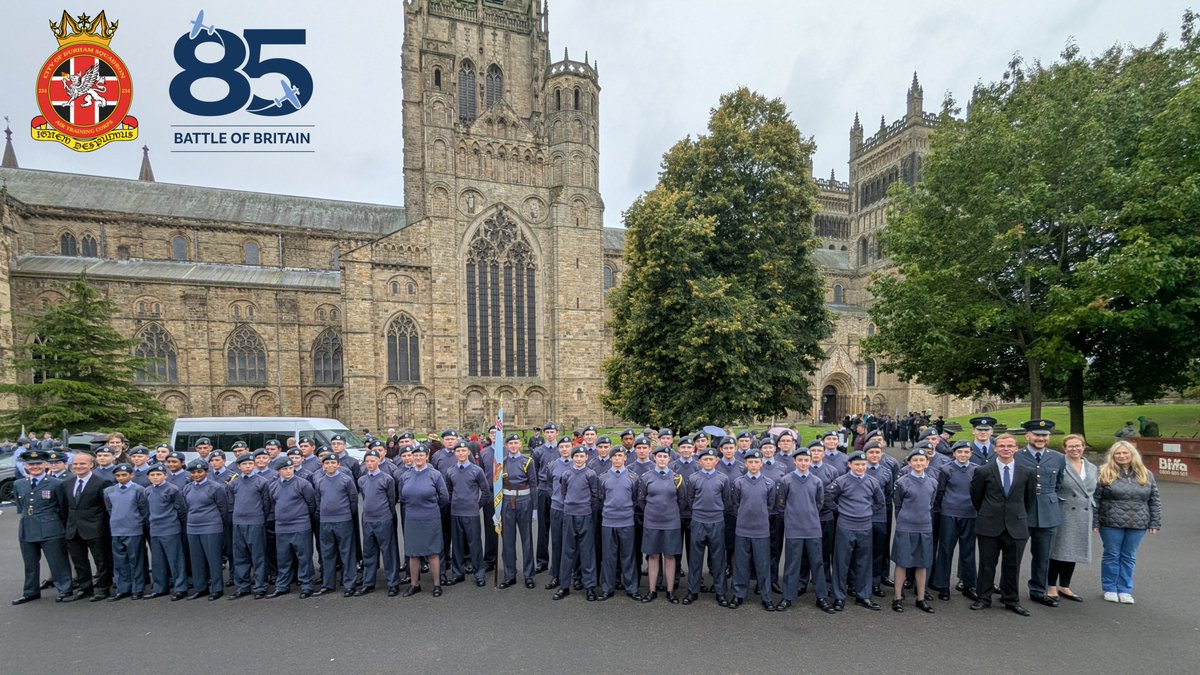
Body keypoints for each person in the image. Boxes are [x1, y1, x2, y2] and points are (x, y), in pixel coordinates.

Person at [970, 433, 1037, 616]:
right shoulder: (983, 471)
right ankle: (983, 598)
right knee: (986, 564)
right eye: (1001, 446)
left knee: (1012, 565)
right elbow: (976, 497)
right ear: (995, 449)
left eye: (1009, 446)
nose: (1005, 449)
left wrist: (1016, 514)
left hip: (1016, 525)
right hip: (989, 524)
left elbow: (1028, 500)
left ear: (1016, 448)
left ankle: (1011, 600)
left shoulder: (1027, 472)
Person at [1094, 440, 1162, 604]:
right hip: (1110, 521)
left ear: (1133, 454)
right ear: (1113, 456)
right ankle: (1110, 588)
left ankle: (1124, 589)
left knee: (1129, 556)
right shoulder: (1104, 472)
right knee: (1111, 555)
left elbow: (1154, 500)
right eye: (1118, 453)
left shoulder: (1146, 473)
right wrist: (1095, 522)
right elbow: (1096, 499)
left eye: (1125, 453)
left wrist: (1155, 522)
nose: (1122, 456)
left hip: (1138, 523)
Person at [11, 449, 74, 605]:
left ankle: (65, 589)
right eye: (31, 464)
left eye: (38, 463)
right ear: (25, 465)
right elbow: (21, 506)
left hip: (50, 527)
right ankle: (31, 592)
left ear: (46, 464)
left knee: (57, 561)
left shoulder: (56, 483)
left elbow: (63, 507)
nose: (35, 467)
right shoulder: (19, 483)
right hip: (27, 527)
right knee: (30, 563)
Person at [776, 447, 834, 613]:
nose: (803, 463)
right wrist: (792, 518)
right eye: (800, 460)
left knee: (817, 563)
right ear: (795, 461)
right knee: (792, 564)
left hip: (812, 528)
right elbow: (781, 505)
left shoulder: (816, 481)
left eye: (806, 460)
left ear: (810, 461)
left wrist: (809, 516)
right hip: (794, 528)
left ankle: (821, 597)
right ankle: (788, 596)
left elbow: (819, 503)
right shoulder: (786, 480)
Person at [826, 451, 885, 611]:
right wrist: (840, 510)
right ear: (849, 465)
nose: (860, 467)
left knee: (864, 562)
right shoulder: (841, 481)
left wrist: (867, 511)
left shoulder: (872, 482)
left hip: (865, 526)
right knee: (841, 562)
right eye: (857, 464)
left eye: (863, 464)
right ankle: (838, 597)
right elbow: (827, 498)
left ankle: (863, 595)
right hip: (845, 526)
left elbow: (880, 502)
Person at [1017, 419, 1066, 608]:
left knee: (1043, 556)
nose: (1041, 438)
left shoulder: (1058, 458)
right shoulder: (1017, 456)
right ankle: (1009, 590)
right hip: (1022, 511)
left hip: (1048, 512)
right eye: (1037, 434)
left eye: (1044, 435)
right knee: (1014, 556)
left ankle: (1038, 591)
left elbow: (1059, 484)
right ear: (1027, 436)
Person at [1047, 434, 1097, 603]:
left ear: (1084, 447)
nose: (1075, 449)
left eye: (1078, 446)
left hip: (1083, 513)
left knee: (1074, 550)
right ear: (1064, 448)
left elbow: (1093, 491)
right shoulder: (1059, 464)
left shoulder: (1092, 467)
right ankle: (1051, 586)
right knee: (1057, 550)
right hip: (1063, 510)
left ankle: (1065, 586)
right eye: (1071, 446)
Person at [62, 451, 115, 602]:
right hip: (73, 529)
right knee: (79, 561)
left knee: (102, 561)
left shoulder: (102, 482)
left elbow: (107, 508)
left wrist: (104, 528)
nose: (79, 467)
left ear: (91, 465)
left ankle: (103, 588)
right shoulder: (67, 483)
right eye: (76, 464)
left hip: (95, 528)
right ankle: (85, 588)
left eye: (83, 464)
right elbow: (64, 508)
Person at [729, 449, 778, 610]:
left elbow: (770, 506)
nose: (753, 465)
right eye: (750, 462)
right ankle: (738, 594)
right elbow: (735, 505)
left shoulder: (769, 483)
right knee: (741, 564)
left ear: (761, 464)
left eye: (756, 462)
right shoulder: (738, 482)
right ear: (746, 464)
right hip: (743, 529)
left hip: (761, 530)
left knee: (763, 564)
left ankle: (766, 596)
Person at [636, 446, 685, 604]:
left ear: (669, 459)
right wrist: (652, 513)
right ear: (654, 458)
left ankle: (670, 591)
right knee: (653, 555)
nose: (662, 459)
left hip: (671, 523)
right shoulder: (646, 477)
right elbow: (641, 500)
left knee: (670, 556)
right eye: (659, 456)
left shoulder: (677, 478)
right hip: (652, 522)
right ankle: (652, 590)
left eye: (665, 456)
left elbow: (682, 501)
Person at [398, 445, 449, 597]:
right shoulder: (405, 476)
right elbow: (402, 497)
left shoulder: (435, 475)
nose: (418, 458)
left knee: (433, 553)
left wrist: (431, 509)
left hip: (430, 518)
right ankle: (414, 585)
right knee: (413, 553)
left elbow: (444, 497)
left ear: (427, 457)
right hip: (412, 518)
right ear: (412, 457)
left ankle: (437, 585)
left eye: (421, 455)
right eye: (415, 455)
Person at [682, 447, 730, 607]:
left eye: (711, 459)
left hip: (716, 521)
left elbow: (726, 499)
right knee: (695, 558)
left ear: (716, 461)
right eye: (705, 459)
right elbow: (689, 499)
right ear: (700, 461)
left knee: (718, 558)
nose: (708, 462)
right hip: (698, 521)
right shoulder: (693, 478)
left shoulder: (723, 478)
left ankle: (720, 592)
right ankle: (692, 591)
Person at [891, 449, 937, 614]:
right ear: (909, 463)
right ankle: (897, 597)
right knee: (902, 562)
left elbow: (930, 503)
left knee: (922, 563)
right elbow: (898, 504)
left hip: (924, 526)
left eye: (922, 460)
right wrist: (903, 521)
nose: (919, 463)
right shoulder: (902, 482)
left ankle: (921, 598)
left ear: (927, 462)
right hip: (906, 526)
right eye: (915, 460)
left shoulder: (932, 482)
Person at [932, 441, 978, 601]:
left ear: (971, 453)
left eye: (966, 452)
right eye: (960, 452)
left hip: (970, 513)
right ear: (954, 454)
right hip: (949, 513)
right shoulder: (946, 469)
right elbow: (940, 492)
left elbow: (978, 492)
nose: (963, 455)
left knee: (968, 550)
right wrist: (946, 507)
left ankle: (969, 584)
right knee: (945, 549)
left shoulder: (976, 470)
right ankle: (943, 585)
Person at [555, 446, 600, 600]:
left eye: (582, 456)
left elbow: (595, 497)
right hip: (569, 515)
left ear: (586, 457)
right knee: (567, 551)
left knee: (587, 552)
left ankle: (590, 587)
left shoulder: (591, 474)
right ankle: (564, 586)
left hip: (585, 515)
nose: (579, 459)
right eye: (576, 456)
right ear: (573, 458)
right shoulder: (566, 474)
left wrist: (587, 511)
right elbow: (564, 492)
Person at [443, 441, 490, 588]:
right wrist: (453, 503)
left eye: (464, 451)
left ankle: (479, 574)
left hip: (471, 513)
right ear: (455, 453)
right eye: (458, 451)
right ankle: (458, 573)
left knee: (474, 544)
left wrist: (477, 506)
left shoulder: (476, 470)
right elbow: (449, 491)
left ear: (468, 452)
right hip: (456, 512)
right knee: (456, 545)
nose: (461, 454)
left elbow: (486, 491)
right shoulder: (450, 471)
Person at [182, 459, 228, 600]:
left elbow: (223, 509)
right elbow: (186, 507)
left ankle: (216, 588)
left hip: (211, 527)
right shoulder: (187, 488)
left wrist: (219, 525)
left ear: (206, 472)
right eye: (193, 472)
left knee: (213, 559)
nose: (196, 474)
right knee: (196, 560)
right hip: (193, 527)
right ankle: (200, 588)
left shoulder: (216, 487)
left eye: (200, 471)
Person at [227, 453, 272, 600]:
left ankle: (260, 586)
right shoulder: (234, 483)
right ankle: (243, 586)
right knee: (240, 555)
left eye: (250, 464)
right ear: (239, 466)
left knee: (258, 556)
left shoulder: (262, 482)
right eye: (244, 464)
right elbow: (231, 502)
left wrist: (258, 517)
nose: (247, 466)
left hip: (256, 522)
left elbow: (266, 504)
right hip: (238, 523)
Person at [597, 446, 639, 601]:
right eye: (614, 456)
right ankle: (607, 588)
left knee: (628, 556)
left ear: (625, 458)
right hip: (608, 522)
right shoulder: (603, 478)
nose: (617, 459)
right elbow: (600, 499)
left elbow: (635, 499)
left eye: (620, 456)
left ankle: (631, 588)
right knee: (608, 557)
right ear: (611, 458)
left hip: (627, 521)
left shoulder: (633, 478)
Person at [102, 464, 149, 601]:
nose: (121, 478)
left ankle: (138, 588)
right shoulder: (108, 491)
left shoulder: (139, 490)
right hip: (116, 530)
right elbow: (110, 509)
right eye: (118, 476)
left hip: (134, 529)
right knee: (120, 561)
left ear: (131, 475)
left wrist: (137, 523)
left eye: (124, 475)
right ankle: (123, 589)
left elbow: (143, 510)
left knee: (136, 561)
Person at [358, 450, 401, 596]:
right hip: (368, 520)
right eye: (367, 461)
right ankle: (368, 582)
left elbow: (391, 499)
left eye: (372, 461)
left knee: (388, 552)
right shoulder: (362, 480)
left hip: (383, 519)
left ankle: (393, 583)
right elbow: (364, 497)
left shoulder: (387, 479)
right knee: (369, 553)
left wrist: (386, 514)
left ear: (378, 461)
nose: (370, 464)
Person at [497, 434, 537, 590]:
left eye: (516, 443)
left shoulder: (527, 462)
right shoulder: (502, 463)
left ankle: (529, 575)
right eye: (510, 443)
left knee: (527, 540)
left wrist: (534, 508)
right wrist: (497, 509)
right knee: (507, 540)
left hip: (524, 502)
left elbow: (533, 485)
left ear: (520, 444)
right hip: (507, 502)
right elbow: (497, 487)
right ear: (506, 446)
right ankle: (509, 575)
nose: (513, 446)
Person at [144, 463, 189, 600]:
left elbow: (181, 509)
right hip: (155, 529)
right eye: (152, 475)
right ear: (148, 477)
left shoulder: (172, 489)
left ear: (165, 476)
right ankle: (160, 587)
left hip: (170, 528)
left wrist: (178, 525)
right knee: (158, 561)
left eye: (158, 474)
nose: (156, 477)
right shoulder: (147, 491)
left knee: (175, 560)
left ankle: (180, 587)